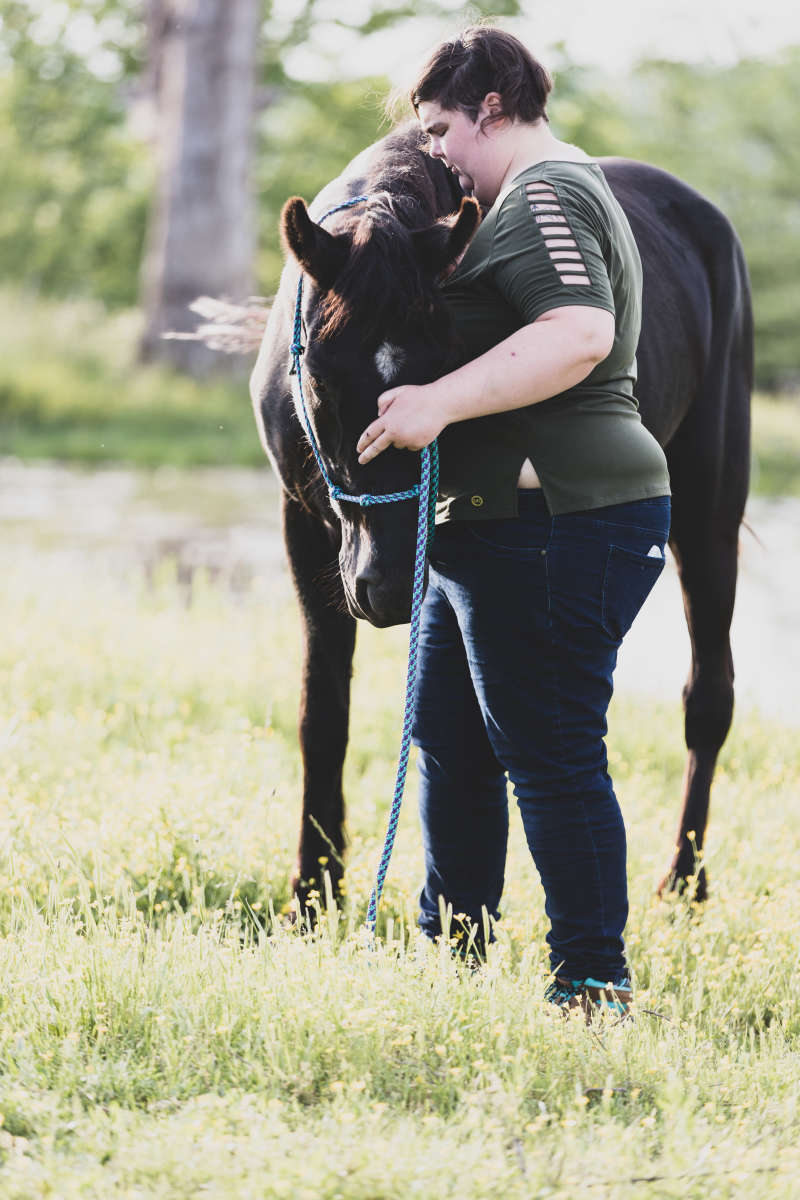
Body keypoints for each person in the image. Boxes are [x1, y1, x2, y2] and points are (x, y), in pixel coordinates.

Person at [356, 26, 671, 1018]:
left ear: (490, 105)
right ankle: (452, 955)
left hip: (560, 521)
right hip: (490, 524)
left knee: (548, 753)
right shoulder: (511, 198)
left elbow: (579, 333)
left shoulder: (543, 190)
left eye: (442, 125)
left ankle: (590, 985)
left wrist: (436, 402)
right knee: (448, 734)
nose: (435, 147)